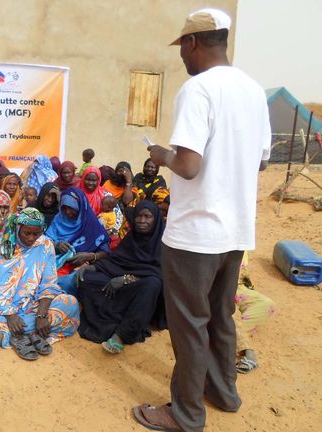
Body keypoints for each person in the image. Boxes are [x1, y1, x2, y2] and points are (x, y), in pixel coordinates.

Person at [133, 9, 272, 432]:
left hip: (195, 234)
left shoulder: (197, 89)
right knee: (219, 316)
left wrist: (161, 155)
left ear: (194, 43)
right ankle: (224, 393)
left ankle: (187, 414)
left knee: (189, 324)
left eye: (182, 49)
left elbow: (189, 166)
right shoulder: (253, 91)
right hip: (235, 231)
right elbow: (262, 162)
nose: (181, 58)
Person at [0, 208, 80, 359]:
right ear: (17, 228)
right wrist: (10, 315)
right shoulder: (3, 246)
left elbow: (49, 283)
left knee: (70, 303)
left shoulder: (46, 245)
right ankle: (30, 333)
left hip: (34, 305)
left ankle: (16, 334)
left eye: (36, 233)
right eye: (27, 233)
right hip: (1, 306)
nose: (31, 238)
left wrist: (41, 315)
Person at [77, 200, 165, 353]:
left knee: (153, 284)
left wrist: (126, 279)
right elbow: (116, 261)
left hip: (141, 287)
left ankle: (122, 334)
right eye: (139, 216)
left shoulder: (163, 242)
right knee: (88, 280)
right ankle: (109, 320)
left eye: (147, 216)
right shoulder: (132, 237)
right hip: (120, 281)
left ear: (155, 219)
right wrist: (92, 267)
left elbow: (160, 273)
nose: (142, 221)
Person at [46, 187, 110, 275]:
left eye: (71, 208)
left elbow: (105, 252)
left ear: (81, 206)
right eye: (64, 208)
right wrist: (56, 245)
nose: (67, 212)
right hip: (53, 264)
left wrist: (90, 256)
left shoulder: (91, 223)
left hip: (80, 269)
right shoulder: (58, 219)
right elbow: (44, 241)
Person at [234, 252, 275, 374]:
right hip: (215, 286)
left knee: (267, 305)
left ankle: (225, 336)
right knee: (228, 310)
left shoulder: (242, 242)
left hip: (238, 286)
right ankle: (246, 348)